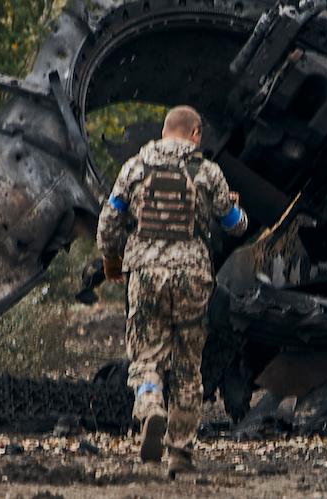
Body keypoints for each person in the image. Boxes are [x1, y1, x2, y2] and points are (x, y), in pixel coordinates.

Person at [95, 105, 248, 474]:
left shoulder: (135, 168)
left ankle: (150, 409)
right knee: (187, 366)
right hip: (192, 277)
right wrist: (237, 211)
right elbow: (234, 225)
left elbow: (108, 224)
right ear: (195, 134)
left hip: (146, 275)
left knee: (147, 358)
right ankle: (180, 452)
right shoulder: (207, 172)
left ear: (165, 132)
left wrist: (114, 263)